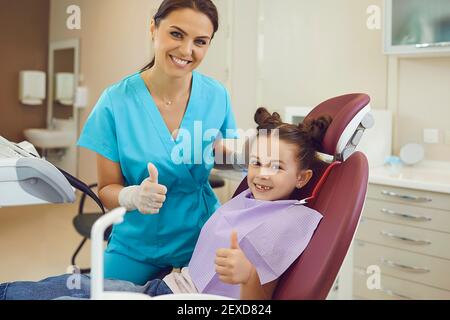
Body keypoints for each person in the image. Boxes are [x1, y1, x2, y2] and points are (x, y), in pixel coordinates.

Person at [0, 108, 332, 300]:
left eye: (277, 167)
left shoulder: (286, 221)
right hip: (167, 286)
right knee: (71, 284)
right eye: (257, 162)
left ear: (302, 177)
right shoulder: (250, 196)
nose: (262, 174)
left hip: (180, 300)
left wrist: (248, 275)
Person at [77, 0, 239, 285]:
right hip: (138, 243)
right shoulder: (115, 103)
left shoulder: (217, 96)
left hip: (203, 237)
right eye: (176, 34)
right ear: (153, 28)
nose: (186, 51)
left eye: (200, 41)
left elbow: (228, 157)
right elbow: (106, 189)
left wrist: (254, 158)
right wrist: (132, 196)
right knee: (100, 293)